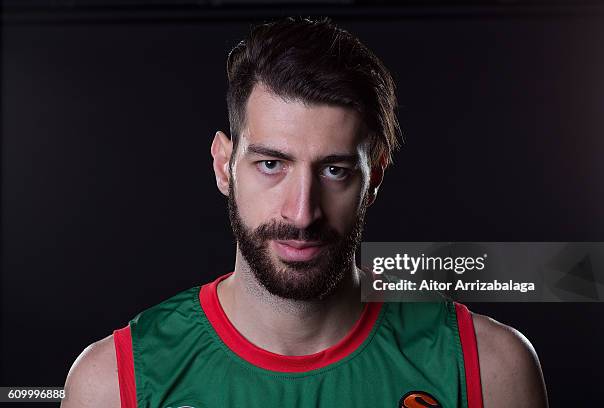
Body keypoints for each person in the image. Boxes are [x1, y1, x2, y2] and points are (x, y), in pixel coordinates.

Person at [61, 17, 548, 408]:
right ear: (224, 166)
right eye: (271, 164)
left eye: (334, 170)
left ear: (374, 177)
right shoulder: (114, 384)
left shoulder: (487, 368)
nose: (302, 212)